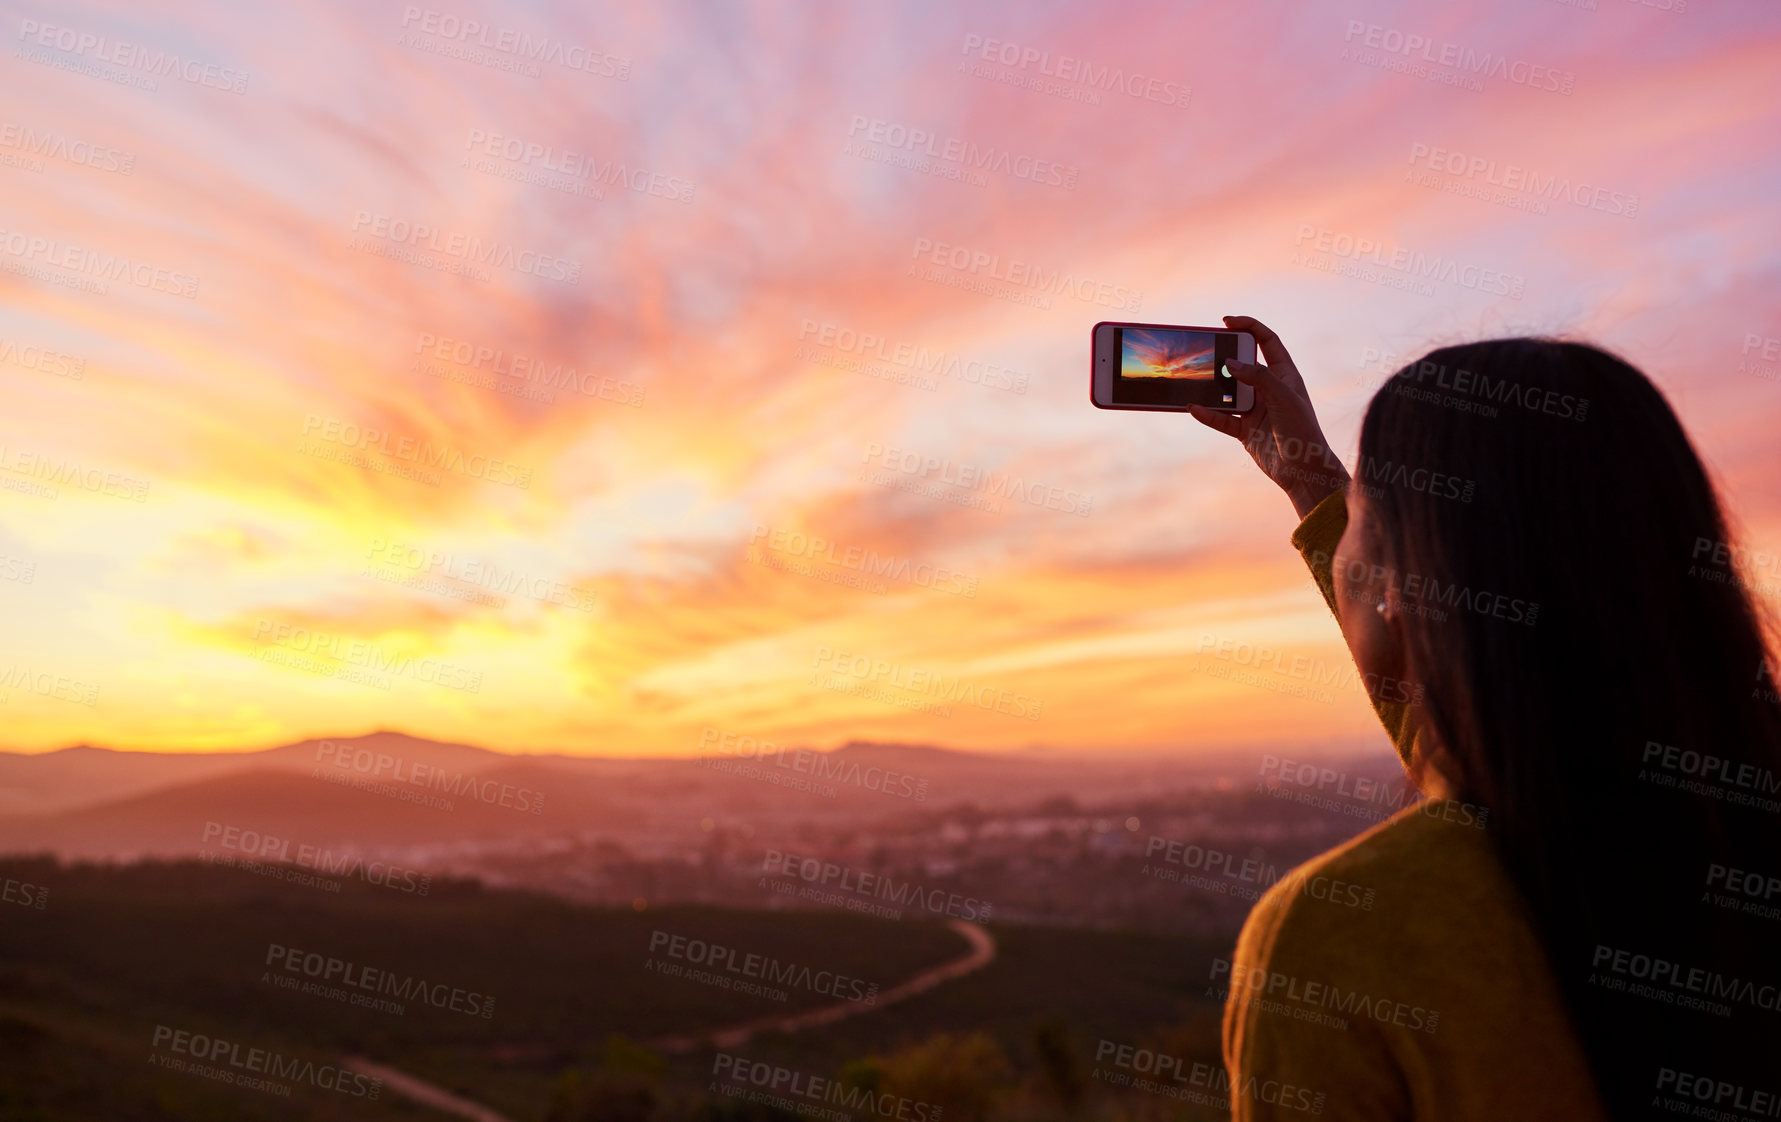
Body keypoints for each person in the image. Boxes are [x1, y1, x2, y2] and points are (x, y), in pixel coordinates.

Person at [1188, 316, 1781, 1121]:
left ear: (1398, 585)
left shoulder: (1342, 939)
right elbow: (1488, 730)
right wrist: (1314, 481)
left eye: (1364, 517)